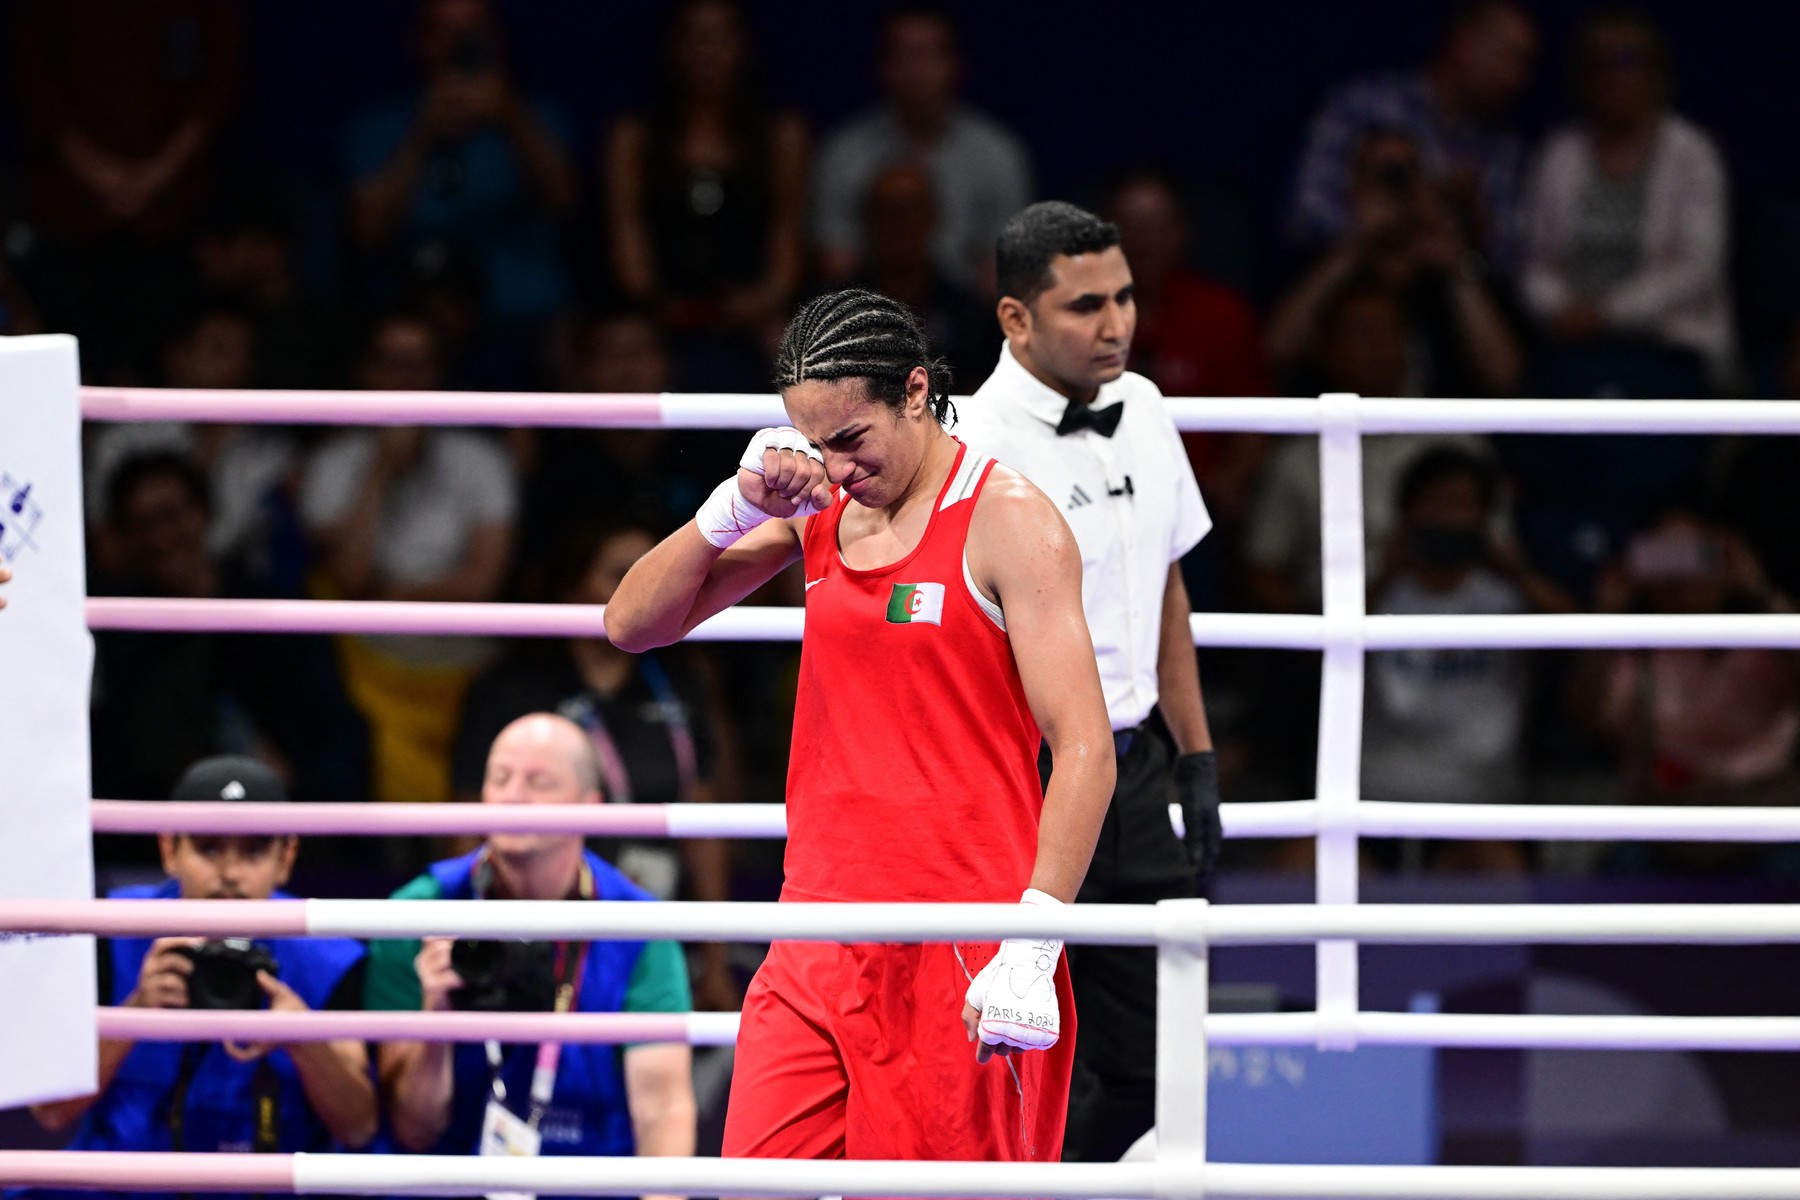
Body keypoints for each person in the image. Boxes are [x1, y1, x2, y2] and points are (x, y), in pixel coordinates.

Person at [603, 287, 1115, 1162]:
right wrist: (733, 505)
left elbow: (1085, 748)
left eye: (851, 439)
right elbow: (631, 624)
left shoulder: (1012, 521)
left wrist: (1034, 939)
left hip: (964, 939)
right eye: (815, 444)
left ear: (915, 392)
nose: (836, 469)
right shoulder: (819, 514)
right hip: (815, 931)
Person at [953, 201, 1221, 1163]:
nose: (1115, 325)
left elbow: (1167, 589)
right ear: (1015, 318)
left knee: (1159, 1060)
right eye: (1084, 306)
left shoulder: (1145, 407)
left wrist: (1196, 757)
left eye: (1126, 297)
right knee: (996, 1045)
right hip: (1021, 781)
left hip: (1137, 771)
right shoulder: (965, 441)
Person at [365, 714, 696, 1188]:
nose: (512, 796)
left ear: (590, 807)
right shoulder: (415, 913)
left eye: (539, 782)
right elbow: (414, 1131)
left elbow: (662, 1111)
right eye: (499, 778)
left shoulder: (639, 925)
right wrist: (434, 1017)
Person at [24, 756, 374, 1199]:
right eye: (208, 848)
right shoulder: (108, 930)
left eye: (253, 851)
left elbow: (360, 1129)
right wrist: (135, 1013)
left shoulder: (330, 956)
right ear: (170, 850)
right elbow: (50, 1112)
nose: (229, 875)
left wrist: (306, 1042)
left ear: (286, 858)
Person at [451, 522, 742, 1009]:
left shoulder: (682, 684)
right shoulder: (510, 690)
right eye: (618, 573)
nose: (642, 583)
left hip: (656, 927)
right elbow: (470, 820)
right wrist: (476, 929)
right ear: (571, 589)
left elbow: (703, 827)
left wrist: (714, 955)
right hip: (539, 929)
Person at [300, 312, 518, 805]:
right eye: (392, 364)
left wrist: (393, 593)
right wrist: (380, 467)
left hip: (461, 660)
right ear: (365, 373)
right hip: (366, 664)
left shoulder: (482, 462)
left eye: (420, 365)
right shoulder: (332, 464)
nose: (406, 380)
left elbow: (481, 583)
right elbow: (349, 574)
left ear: (439, 375)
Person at [88, 452, 370, 828]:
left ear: (203, 513)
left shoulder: (276, 612)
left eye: (169, 515)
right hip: (154, 837)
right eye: (140, 524)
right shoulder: (115, 630)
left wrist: (291, 778)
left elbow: (338, 737)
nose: (159, 537)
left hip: (284, 829)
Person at [1361, 448, 1572, 874]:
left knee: (1497, 868)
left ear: (1485, 518)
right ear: (1406, 515)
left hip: (1481, 806)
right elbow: (1310, 665)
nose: (1447, 519)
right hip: (1376, 803)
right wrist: (1382, 575)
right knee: (1300, 862)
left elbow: (1583, 641)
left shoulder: (1509, 599)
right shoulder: (1374, 598)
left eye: (1462, 505)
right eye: (1435, 503)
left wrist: (1517, 571)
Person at [1574, 508, 1800, 875]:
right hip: (1667, 834)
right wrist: (1605, 617)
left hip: (1767, 825)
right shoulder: (1636, 657)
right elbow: (1588, 716)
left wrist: (1758, 588)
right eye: (1664, 557)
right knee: (1621, 872)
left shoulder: (1767, 643)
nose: (1681, 576)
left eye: (1694, 555)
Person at [1521, 7, 1734, 393]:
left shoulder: (1692, 155)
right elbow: (1536, 263)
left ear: (1656, 75)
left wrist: (1607, 315)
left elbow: (1697, 267)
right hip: (1572, 349)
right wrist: (1561, 311)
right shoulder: (1558, 154)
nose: (1614, 76)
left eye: (1627, 61)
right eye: (1600, 63)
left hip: (1668, 351)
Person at [603, 0, 808, 391]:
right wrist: (658, 303)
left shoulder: (782, 136)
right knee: (625, 350)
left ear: (743, 48)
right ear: (673, 49)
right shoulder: (634, 138)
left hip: (754, 318)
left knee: (798, 359)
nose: (706, 52)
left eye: (719, 39)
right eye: (695, 39)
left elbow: (787, 237)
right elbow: (627, 238)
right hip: (660, 317)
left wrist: (762, 300)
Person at [346, 0, 578, 324]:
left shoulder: (538, 117)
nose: (460, 42)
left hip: (521, 315)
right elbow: (368, 232)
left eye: (473, 30)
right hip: (412, 320)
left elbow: (564, 203)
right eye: (444, 30)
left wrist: (512, 117)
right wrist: (422, 132)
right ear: (419, 41)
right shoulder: (378, 127)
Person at [1286, 0, 1536, 271]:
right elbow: (1306, 215)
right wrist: (1394, 237)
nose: (1516, 80)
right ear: (1466, 43)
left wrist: (1472, 237)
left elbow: (1505, 262)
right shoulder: (1363, 105)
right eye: (1511, 57)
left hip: (1445, 297)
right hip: (1352, 283)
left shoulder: (1504, 149)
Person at [812, 3, 1034, 288]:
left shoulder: (997, 154)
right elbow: (837, 267)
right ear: (882, 67)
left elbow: (1002, 274)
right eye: (903, 56)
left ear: (956, 64)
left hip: (965, 317)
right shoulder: (844, 152)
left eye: (926, 56)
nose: (915, 71)